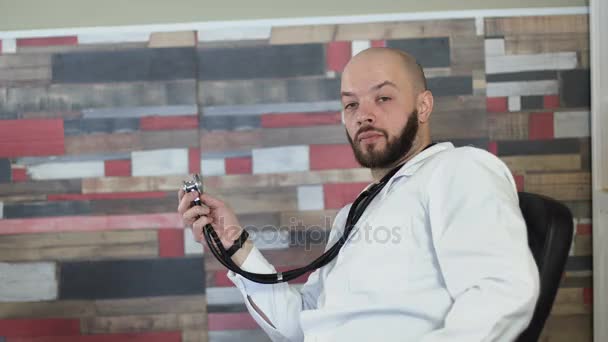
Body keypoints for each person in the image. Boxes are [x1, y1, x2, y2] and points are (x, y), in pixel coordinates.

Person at [177, 48, 540, 341]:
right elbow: (300, 326)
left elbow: (501, 294)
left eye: (383, 97)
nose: (363, 115)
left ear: (424, 105)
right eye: (351, 104)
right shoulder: (357, 210)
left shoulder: (460, 169)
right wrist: (234, 243)